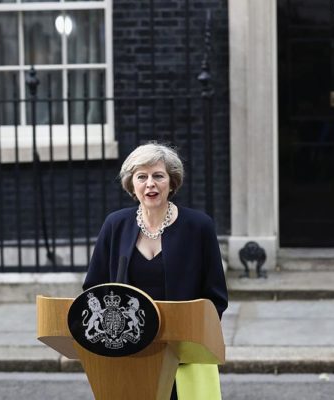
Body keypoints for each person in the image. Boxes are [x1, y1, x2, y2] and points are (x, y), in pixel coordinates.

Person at [83, 142, 228, 399]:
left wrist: (188, 337)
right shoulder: (115, 225)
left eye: (158, 176)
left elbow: (216, 296)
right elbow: (93, 289)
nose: (150, 183)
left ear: (171, 183)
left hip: (184, 353)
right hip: (130, 353)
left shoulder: (199, 227)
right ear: (132, 185)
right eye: (142, 176)